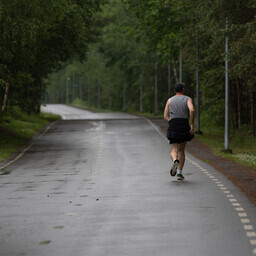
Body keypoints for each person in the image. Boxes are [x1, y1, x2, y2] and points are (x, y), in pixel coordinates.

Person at [164, 82, 195, 180]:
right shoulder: (187, 99)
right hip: (183, 125)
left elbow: (165, 116)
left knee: (174, 150)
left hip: (173, 125)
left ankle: (175, 160)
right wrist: (192, 124)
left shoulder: (170, 100)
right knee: (182, 150)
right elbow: (192, 110)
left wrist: (172, 122)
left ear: (174, 90)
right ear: (183, 90)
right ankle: (179, 173)